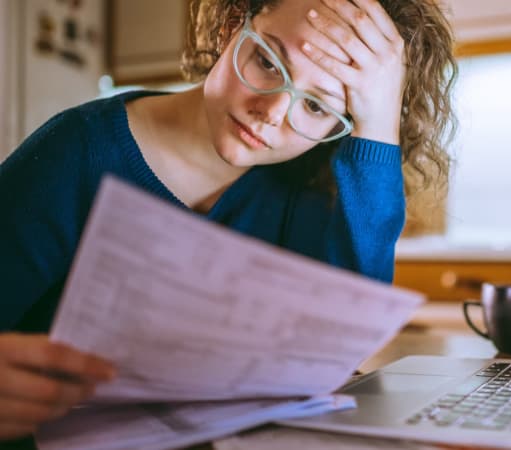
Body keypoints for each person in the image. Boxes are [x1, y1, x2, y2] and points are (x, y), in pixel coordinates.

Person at [0, 0, 456, 440]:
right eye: (268, 63)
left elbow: (343, 345)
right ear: (230, 27)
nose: (272, 113)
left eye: (317, 107)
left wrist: (377, 126)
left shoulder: (308, 191)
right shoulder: (75, 152)